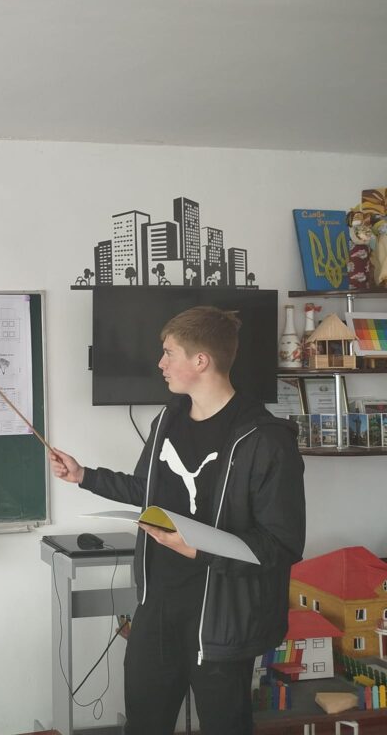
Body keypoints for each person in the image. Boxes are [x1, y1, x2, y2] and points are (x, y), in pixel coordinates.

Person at [49, 306, 305, 735]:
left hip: (222, 623)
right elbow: (147, 491)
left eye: (169, 353)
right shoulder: (167, 419)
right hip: (157, 611)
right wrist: (84, 476)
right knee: (144, 725)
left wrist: (196, 549)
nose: (160, 363)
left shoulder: (265, 439)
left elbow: (281, 545)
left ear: (200, 361)